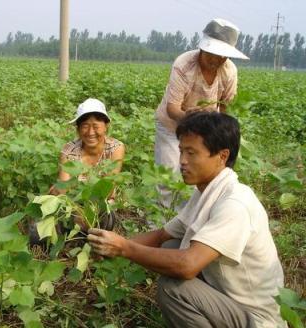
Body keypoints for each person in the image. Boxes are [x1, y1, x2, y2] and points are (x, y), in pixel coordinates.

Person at [88, 112, 285, 328]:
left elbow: (187, 266)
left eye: (191, 153)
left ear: (222, 156)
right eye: (181, 151)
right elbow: (162, 236)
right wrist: (107, 246)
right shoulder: (207, 192)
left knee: (174, 289)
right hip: (227, 300)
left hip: (255, 319)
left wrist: (124, 248)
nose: (182, 161)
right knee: (172, 244)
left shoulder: (235, 203)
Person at [154, 18, 248, 207]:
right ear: (203, 48)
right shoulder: (184, 64)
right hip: (172, 126)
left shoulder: (229, 71)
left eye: (223, 55)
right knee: (169, 174)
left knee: (198, 173)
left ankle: (190, 219)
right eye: (213, 53)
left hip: (204, 131)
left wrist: (218, 133)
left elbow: (224, 107)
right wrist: (190, 117)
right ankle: (160, 224)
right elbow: (172, 108)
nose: (217, 60)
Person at [50, 98, 125, 197]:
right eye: (85, 126)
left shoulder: (116, 148)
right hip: (74, 205)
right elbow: (63, 189)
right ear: (78, 129)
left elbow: (108, 190)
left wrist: (72, 187)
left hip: (104, 205)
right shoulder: (69, 151)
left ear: (106, 127)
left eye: (96, 126)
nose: (90, 132)